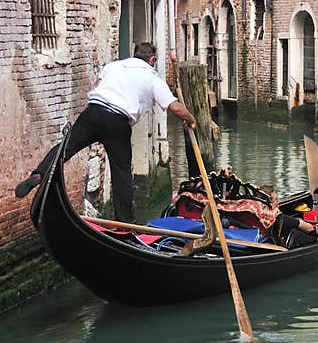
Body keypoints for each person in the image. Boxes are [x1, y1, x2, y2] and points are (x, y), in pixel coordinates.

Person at [14, 42, 196, 222]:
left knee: (65, 149)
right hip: (117, 122)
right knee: (121, 172)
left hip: (93, 112)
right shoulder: (152, 78)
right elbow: (175, 108)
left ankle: (39, 174)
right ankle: (124, 225)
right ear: (152, 60)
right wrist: (191, 120)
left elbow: (100, 85)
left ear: (134, 54)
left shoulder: (114, 66)